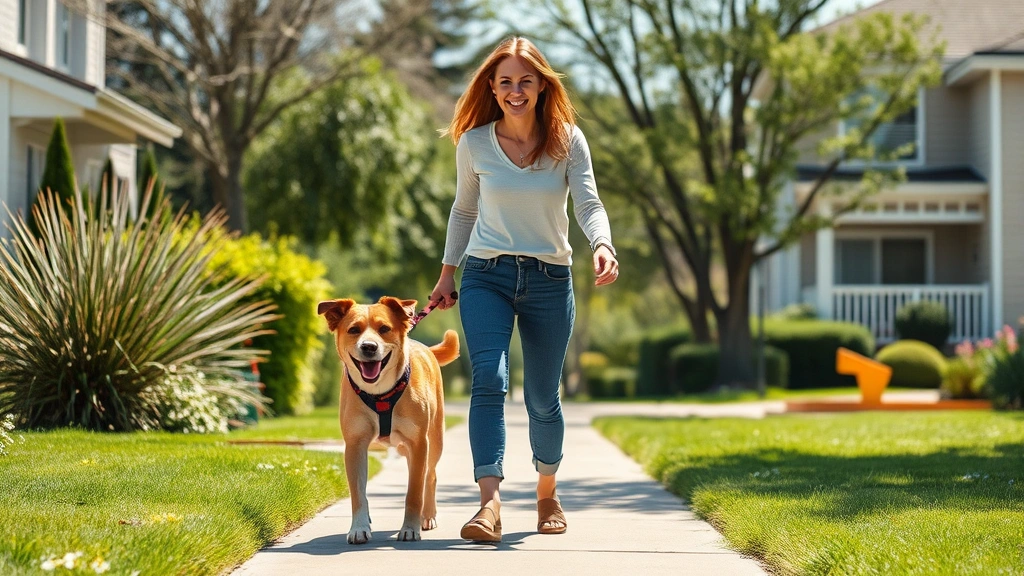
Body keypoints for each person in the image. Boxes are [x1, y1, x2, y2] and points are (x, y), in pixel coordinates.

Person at [428, 36, 619, 543]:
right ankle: (488, 504)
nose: (515, 91)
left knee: (542, 397)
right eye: (506, 81)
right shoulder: (473, 143)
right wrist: (448, 273)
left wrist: (602, 244)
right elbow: (464, 211)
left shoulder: (567, 140)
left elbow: (589, 203)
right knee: (488, 379)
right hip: (486, 275)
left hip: (550, 280)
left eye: (525, 81)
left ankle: (546, 491)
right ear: (492, 87)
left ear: (541, 85)